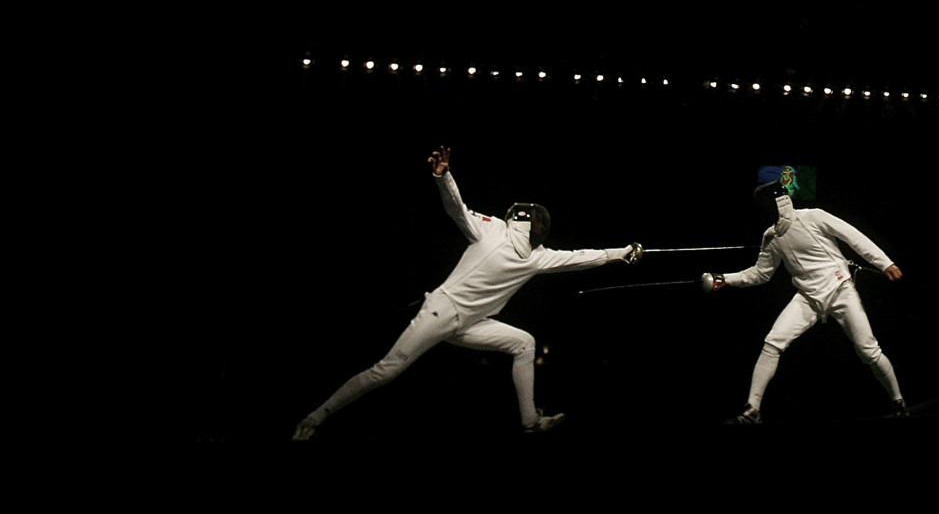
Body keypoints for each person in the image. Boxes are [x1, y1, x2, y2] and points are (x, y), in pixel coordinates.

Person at [293, 146, 641, 439]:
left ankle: (530, 422)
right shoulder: (537, 256)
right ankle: (316, 416)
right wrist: (622, 252)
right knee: (386, 371)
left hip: (469, 323)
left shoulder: (498, 235)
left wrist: (443, 176)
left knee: (523, 343)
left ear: (514, 219)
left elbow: (457, 209)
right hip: (441, 312)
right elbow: (582, 257)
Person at [701, 176, 906, 423]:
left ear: (778, 202)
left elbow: (853, 236)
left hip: (840, 289)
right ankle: (752, 410)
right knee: (773, 343)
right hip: (808, 296)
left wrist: (884, 263)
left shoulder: (814, 216)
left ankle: (898, 402)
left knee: (868, 351)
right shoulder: (771, 236)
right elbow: (760, 274)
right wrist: (726, 279)